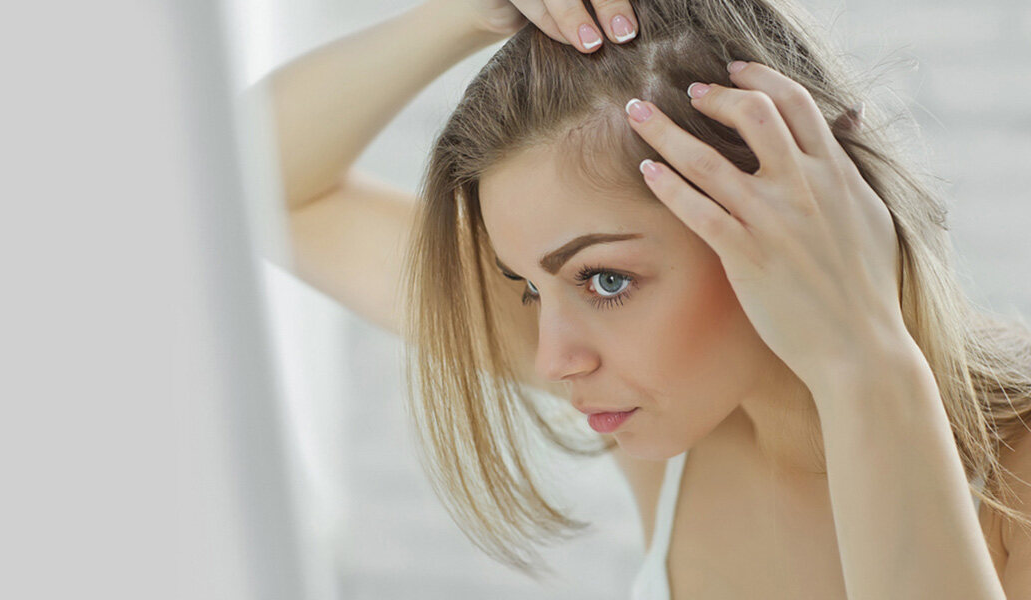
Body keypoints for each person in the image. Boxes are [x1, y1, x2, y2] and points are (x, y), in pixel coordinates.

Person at [247, 0, 1031, 597]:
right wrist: (468, 12)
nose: (556, 359)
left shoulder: (1015, 471)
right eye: (528, 285)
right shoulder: (679, 416)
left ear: (796, 211)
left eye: (606, 280)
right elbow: (252, 187)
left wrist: (865, 359)